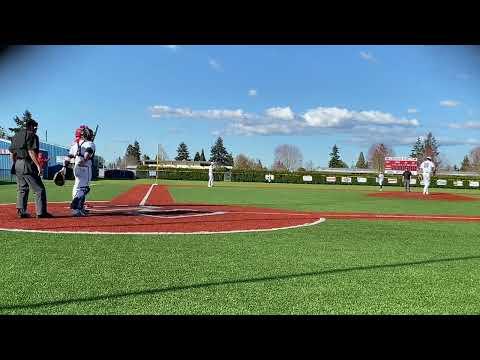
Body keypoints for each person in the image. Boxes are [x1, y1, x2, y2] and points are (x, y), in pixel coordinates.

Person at [8, 119, 53, 218]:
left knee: (22, 188)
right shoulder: (32, 135)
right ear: (31, 126)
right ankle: (41, 213)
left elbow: (11, 152)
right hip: (27, 164)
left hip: (17, 164)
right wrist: (38, 166)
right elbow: (31, 151)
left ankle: (21, 212)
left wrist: (14, 164)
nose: (36, 129)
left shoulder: (16, 135)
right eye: (35, 127)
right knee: (39, 189)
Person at [61, 125, 96, 216]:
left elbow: (68, 157)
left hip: (76, 167)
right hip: (85, 167)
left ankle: (80, 207)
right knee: (83, 188)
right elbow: (87, 154)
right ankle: (75, 207)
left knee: (77, 186)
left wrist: (64, 167)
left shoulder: (75, 144)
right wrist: (84, 160)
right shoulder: (90, 143)